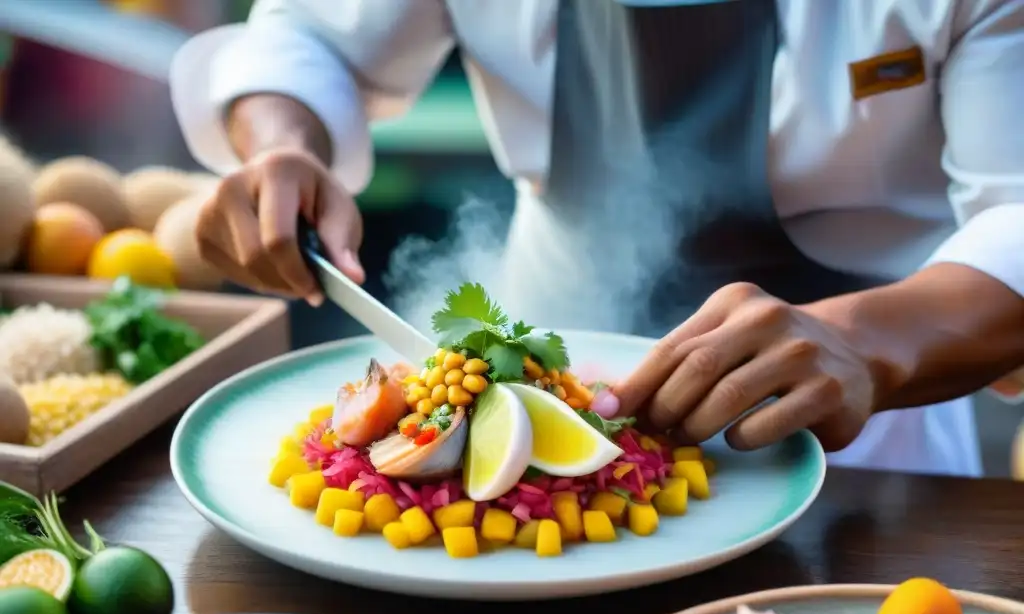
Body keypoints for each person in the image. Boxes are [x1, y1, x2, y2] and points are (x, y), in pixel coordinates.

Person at [169, 0, 1024, 477]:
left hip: (862, 430)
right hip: (533, 379)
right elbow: (307, 42)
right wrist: (283, 145)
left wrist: (857, 341)